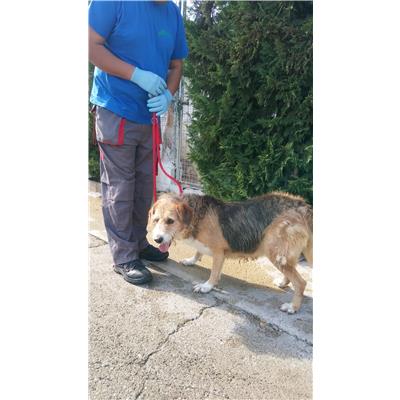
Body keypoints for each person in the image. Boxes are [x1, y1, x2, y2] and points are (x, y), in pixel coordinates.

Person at [88, 0, 188, 285]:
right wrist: (135, 74)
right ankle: (124, 256)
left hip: (149, 115)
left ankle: (138, 243)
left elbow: (176, 64)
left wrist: (167, 95)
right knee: (120, 187)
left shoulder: (172, 13)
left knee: (145, 185)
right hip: (115, 108)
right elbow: (90, 45)